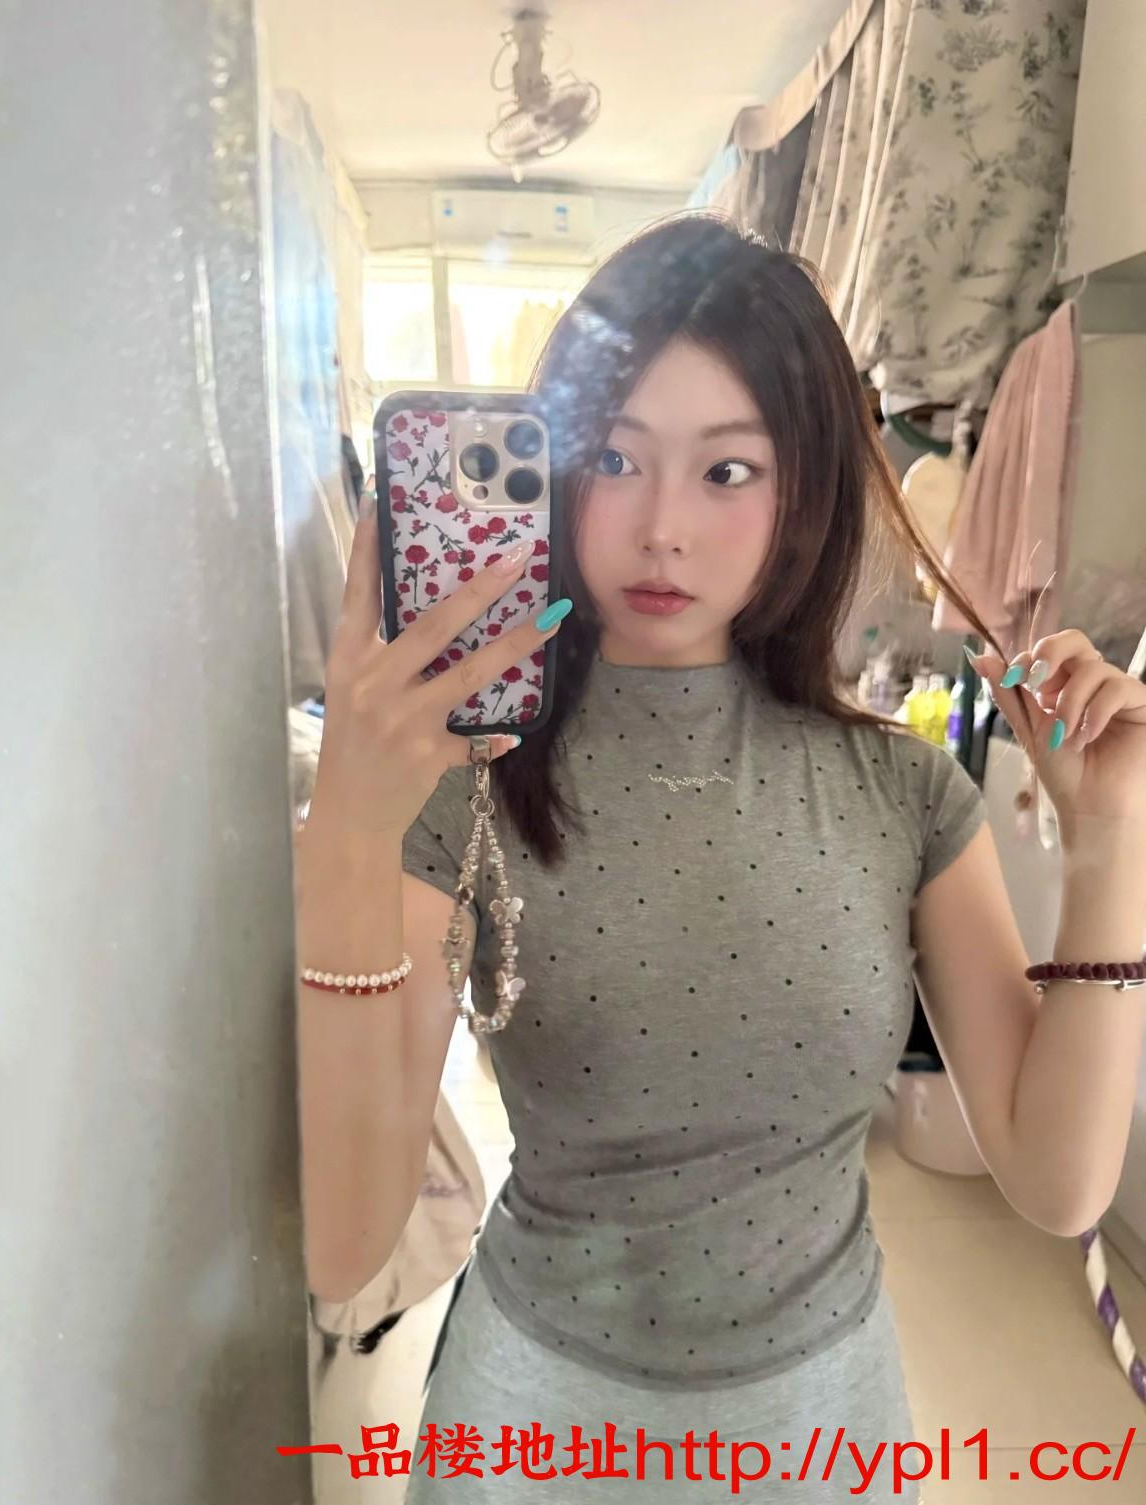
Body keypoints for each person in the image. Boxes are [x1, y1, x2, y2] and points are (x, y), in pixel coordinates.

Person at [292, 215, 1026, 1501]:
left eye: (727, 470)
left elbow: (1056, 1175)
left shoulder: (902, 787)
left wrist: (1117, 835)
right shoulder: (468, 775)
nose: (662, 529)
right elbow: (347, 1243)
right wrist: (347, 825)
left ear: (801, 489)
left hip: (823, 1425)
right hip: (531, 1421)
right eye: (617, 459)